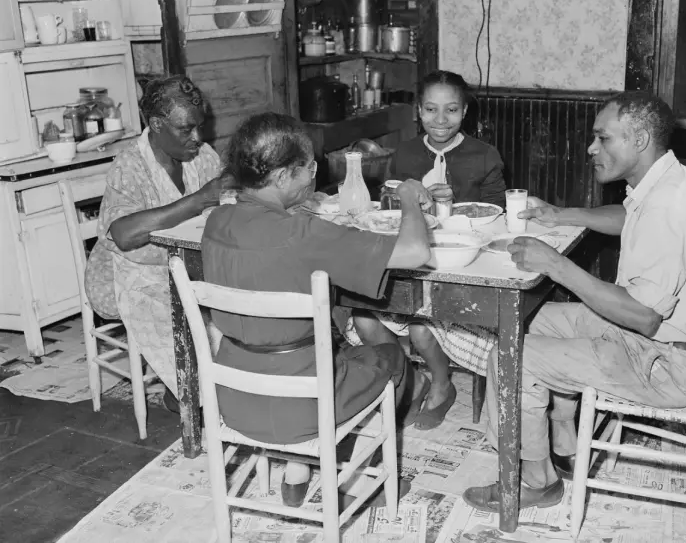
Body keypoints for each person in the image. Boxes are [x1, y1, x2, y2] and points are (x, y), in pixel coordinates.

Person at [463, 91, 686, 511]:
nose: (592, 148)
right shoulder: (668, 180)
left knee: (509, 358)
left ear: (639, 139)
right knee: (524, 320)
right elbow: (630, 217)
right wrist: (561, 215)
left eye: (603, 138)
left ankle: (538, 482)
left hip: (668, 364)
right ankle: (564, 436)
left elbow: (642, 316)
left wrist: (556, 265)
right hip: (663, 341)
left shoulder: (669, 207)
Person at [201, 112, 432, 508]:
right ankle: (356, 480)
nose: (314, 173)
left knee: (331, 348)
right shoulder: (303, 233)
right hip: (304, 408)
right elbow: (416, 251)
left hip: (236, 399)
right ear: (281, 176)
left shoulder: (216, 221)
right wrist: (410, 200)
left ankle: (297, 470)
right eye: (309, 167)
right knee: (392, 357)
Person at [346, 70, 506, 430]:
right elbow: (389, 208)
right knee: (364, 319)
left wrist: (454, 203)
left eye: (451, 110)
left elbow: (498, 217)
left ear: (465, 112)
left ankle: (442, 385)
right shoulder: (405, 153)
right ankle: (410, 380)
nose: (441, 120)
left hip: (462, 269)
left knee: (421, 330)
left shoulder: (484, 155)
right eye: (431, 109)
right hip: (411, 268)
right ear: (419, 110)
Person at [85, 75, 232, 409]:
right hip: (131, 274)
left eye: (200, 126)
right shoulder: (130, 165)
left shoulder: (202, 155)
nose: (198, 137)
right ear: (156, 124)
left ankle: (208, 388)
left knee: (239, 304)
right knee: (188, 321)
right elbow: (124, 235)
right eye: (186, 129)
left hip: (188, 265)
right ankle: (192, 396)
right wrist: (199, 200)